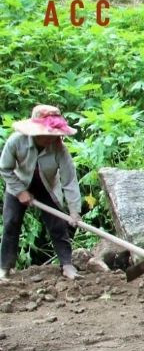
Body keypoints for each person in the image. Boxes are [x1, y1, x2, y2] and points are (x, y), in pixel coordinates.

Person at [0, 105, 83, 281]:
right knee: (11, 223)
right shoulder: (16, 141)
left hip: (47, 187)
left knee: (57, 225)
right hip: (18, 184)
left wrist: (75, 211)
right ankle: (5, 268)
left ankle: (67, 265)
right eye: (48, 134)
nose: (53, 138)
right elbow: (5, 169)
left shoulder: (59, 148)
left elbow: (69, 181)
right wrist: (20, 191)